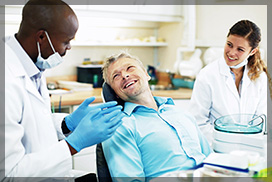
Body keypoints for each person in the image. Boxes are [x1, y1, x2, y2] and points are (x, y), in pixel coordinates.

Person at [2, 0, 124, 180]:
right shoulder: (6, 80)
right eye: (66, 41)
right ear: (42, 37)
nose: (69, 47)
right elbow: (9, 174)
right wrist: (74, 144)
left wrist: (67, 124)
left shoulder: (33, 62)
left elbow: (29, 125)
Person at [101, 52, 213, 181]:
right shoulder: (119, 127)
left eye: (130, 68)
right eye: (116, 76)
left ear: (146, 74)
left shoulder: (181, 114)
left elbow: (212, 162)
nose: (125, 75)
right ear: (114, 93)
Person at [189, 20, 269, 144]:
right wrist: (229, 143)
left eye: (240, 49)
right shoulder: (207, 75)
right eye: (229, 44)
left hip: (251, 148)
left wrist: (247, 144)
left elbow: (262, 120)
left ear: (252, 51)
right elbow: (198, 122)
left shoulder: (259, 77)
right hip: (216, 147)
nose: (231, 53)